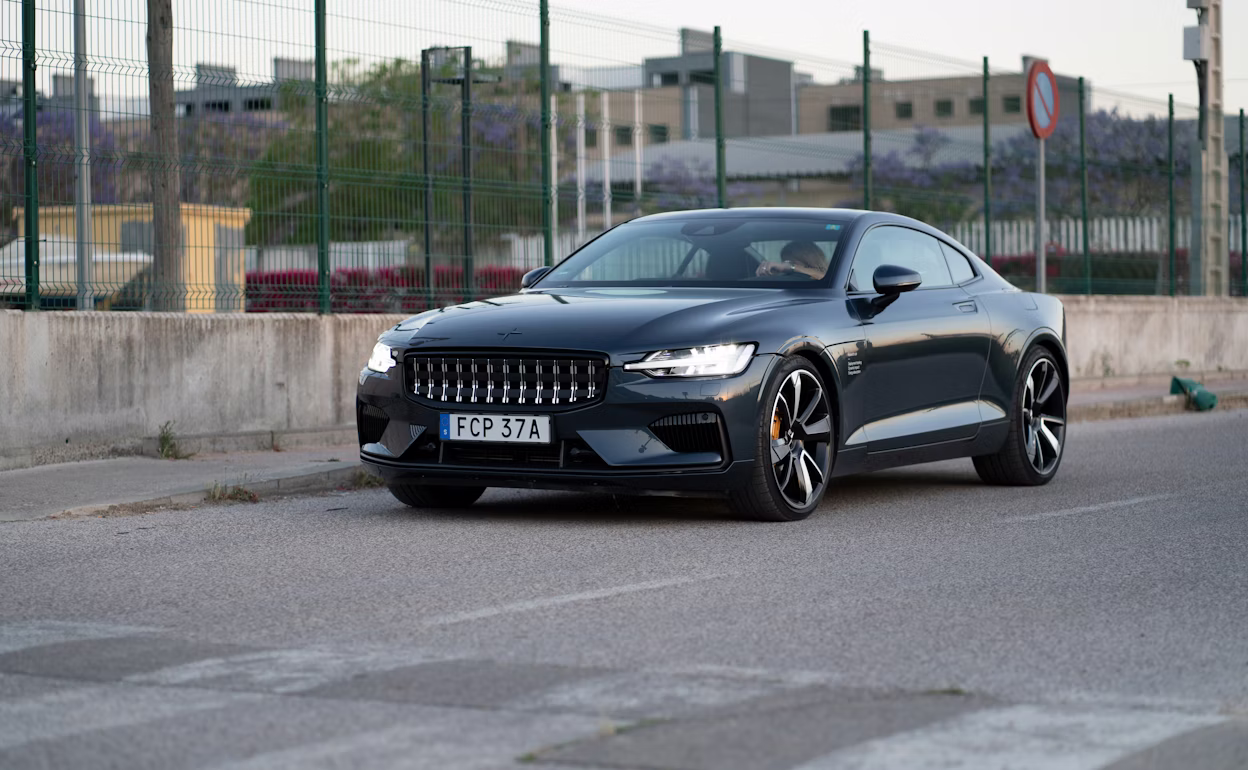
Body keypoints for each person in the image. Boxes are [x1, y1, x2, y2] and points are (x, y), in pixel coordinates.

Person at [755, 240, 828, 279]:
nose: (785, 265)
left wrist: (792, 267)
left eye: (792, 262)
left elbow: (822, 277)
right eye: (785, 262)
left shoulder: (834, 277)